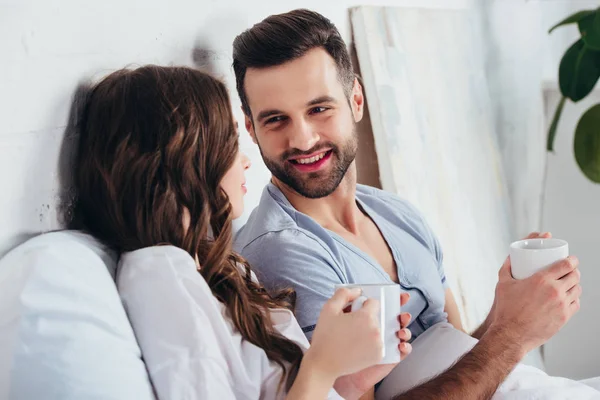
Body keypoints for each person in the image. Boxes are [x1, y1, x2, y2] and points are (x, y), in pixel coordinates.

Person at [232, 9, 584, 399]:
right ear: (252, 129)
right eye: (276, 120)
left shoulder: (397, 215)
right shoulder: (281, 252)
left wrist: (507, 315)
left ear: (356, 99)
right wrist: (513, 336)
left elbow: (465, 366)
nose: (302, 139)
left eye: (319, 109)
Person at [70, 65, 413, 400]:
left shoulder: (215, 266)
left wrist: (351, 373)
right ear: (188, 157)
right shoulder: (161, 279)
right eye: (232, 141)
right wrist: (323, 363)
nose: (246, 161)